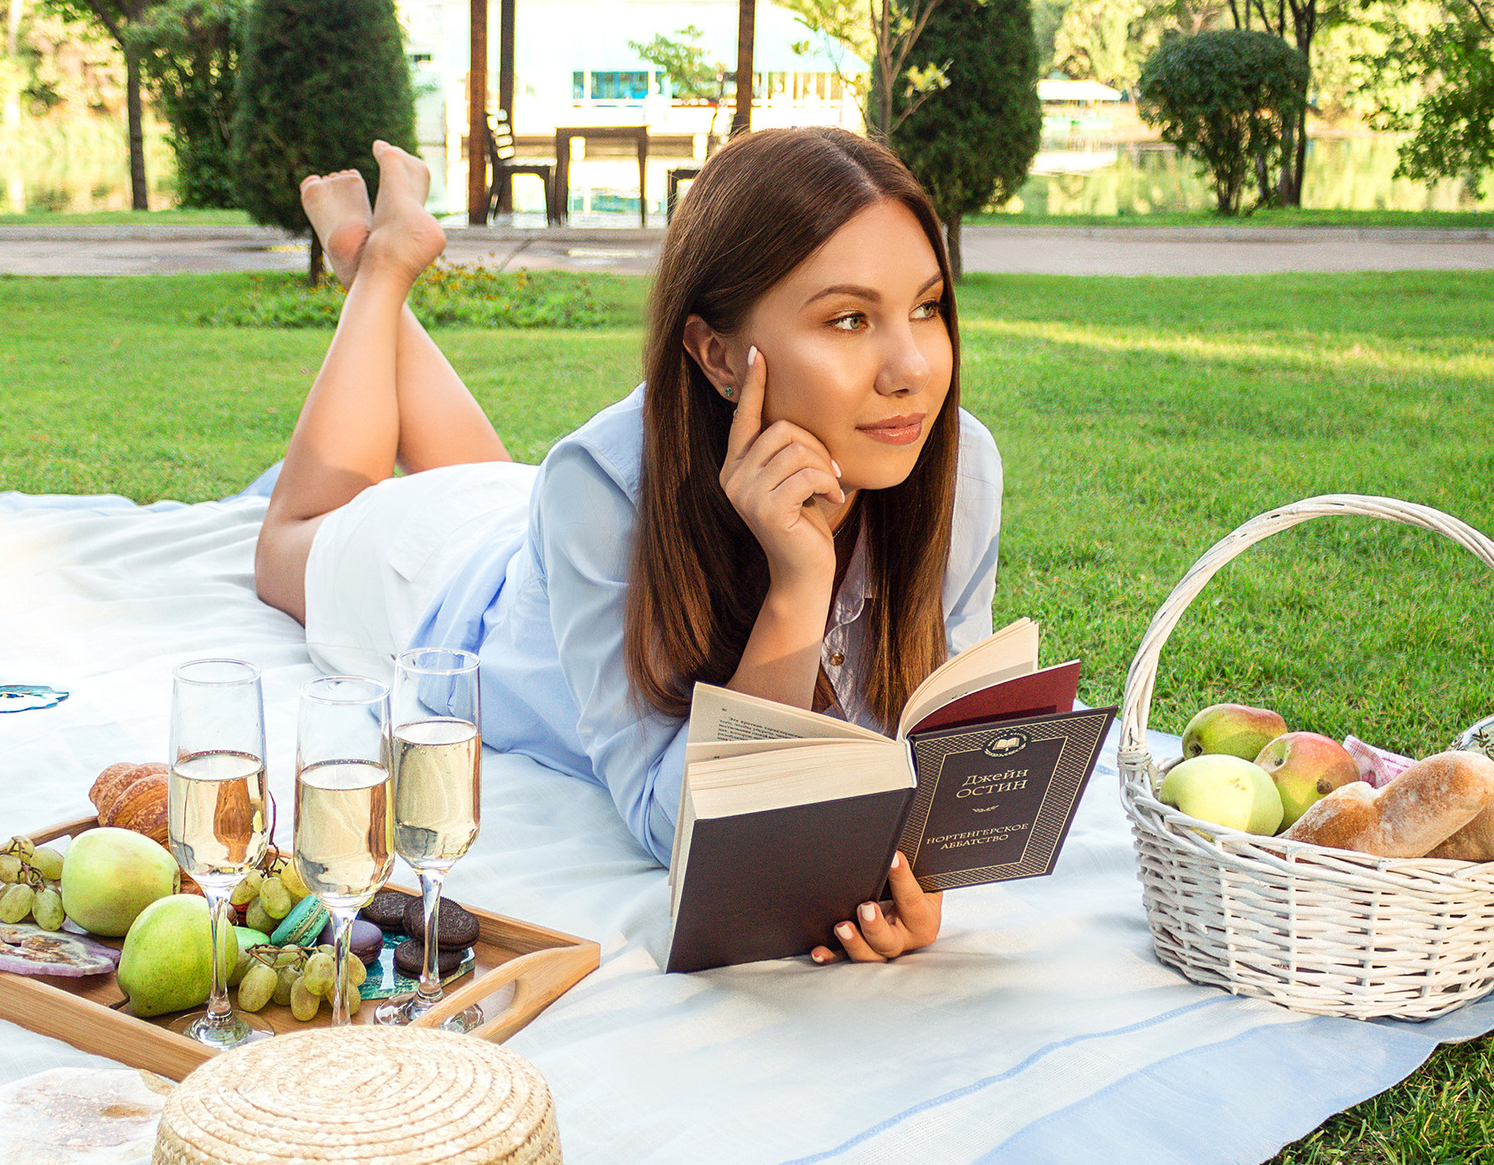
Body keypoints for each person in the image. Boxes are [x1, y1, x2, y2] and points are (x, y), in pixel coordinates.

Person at [253, 127, 1002, 965]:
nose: (911, 369)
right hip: (444, 584)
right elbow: (673, 816)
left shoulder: (958, 467)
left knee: (499, 479)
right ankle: (382, 268)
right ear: (717, 353)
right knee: (290, 539)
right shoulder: (603, 489)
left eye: (929, 307)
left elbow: (946, 758)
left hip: (538, 527)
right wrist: (798, 585)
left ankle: (372, 266)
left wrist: (912, 878)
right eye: (850, 318)